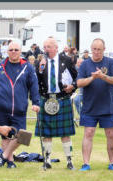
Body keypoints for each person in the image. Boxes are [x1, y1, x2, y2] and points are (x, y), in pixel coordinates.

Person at [0, 41, 40, 169]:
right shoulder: (0, 66)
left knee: (22, 136)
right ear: (7, 52)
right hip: (1, 108)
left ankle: (3, 156)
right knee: (5, 136)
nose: (13, 52)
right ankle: (10, 162)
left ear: (20, 51)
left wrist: (36, 102)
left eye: (16, 50)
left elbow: (34, 86)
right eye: (11, 50)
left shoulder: (27, 67)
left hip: (19, 108)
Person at [76, 38, 113, 171]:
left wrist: (103, 77)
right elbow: (79, 83)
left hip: (108, 106)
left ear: (104, 50)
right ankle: (86, 163)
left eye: (99, 49)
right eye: (94, 49)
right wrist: (93, 77)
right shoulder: (84, 64)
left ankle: (112, 163)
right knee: (88, 133)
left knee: (111, 134)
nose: (96, 52)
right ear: (91, 49)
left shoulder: (110, 62)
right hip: (90, 106)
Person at [35, 37, 78, 170]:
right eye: (44, 47)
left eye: (48, 47)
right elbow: (35, 80)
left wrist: (73, 86)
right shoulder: (40, 62)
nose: (46, 49)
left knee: (65, 133)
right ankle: (47, 160)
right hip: (45, 98)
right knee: (46, 133)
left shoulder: (66, 60)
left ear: (55, 48)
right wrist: (41, 68)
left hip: (62, 99)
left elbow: (76, 77)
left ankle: (69, 160)